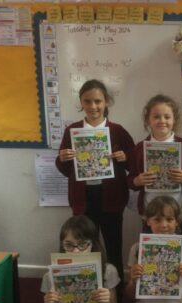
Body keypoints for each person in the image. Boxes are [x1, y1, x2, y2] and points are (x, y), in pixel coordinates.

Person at [55, 79, 134, 280]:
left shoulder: (117, 131)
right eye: (87, 101)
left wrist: (125, 158)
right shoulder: (72, 131)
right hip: (83, 198)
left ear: (106, 101)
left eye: (98, 101)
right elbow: (65, 170)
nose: (93, 106)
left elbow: (133, 164)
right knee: (83, 246)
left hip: (111, 198)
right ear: (81, 102)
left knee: (113, 245)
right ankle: (88, 291)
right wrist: (62, 159)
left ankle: (115, 293)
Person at [127, 94, 182, 244]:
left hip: (180, 213)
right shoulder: (140, 148)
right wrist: (137, 180)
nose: (162, 121)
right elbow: (129, 181)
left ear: (174, 120)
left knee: (180, 255)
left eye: (167, 117)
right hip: (151, 214)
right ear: (148, 120)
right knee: (152, 253)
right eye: (157, 117)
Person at [41, 215, 120, 303]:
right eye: (69, 245)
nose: (76, 251)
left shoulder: (108, 271)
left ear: (92, 245)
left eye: (83, 244)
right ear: (62, 245)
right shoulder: (50, 276)